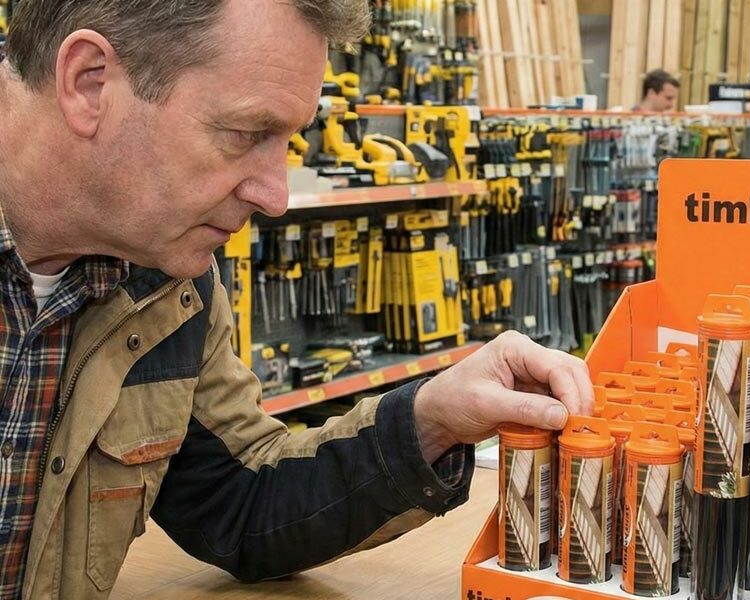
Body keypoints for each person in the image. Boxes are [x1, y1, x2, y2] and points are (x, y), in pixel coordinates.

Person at [0, 1, 594, 597]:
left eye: (285, 140)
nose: (276, 196)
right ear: (89, 83)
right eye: (246, 133)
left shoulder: (167, 284)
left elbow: (241, 502)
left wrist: (431, 418)